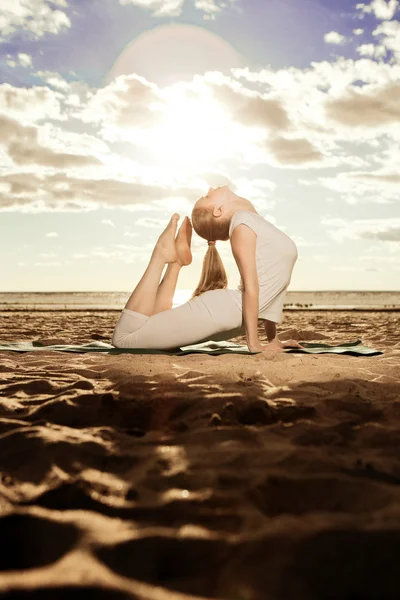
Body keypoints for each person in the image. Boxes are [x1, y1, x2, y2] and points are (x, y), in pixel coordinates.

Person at [112, 185, 303, 354]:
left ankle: (176, 264)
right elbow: (251, 286)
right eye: (207, 196)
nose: (211, 188)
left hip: (235, 317)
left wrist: (273, 340)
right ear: (219, 210)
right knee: (123, 340)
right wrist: (254, 344)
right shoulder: (242, 225)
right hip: (224, 311)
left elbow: (276, 286)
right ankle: (160, 255)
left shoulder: (253, 222)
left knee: (152, 329)